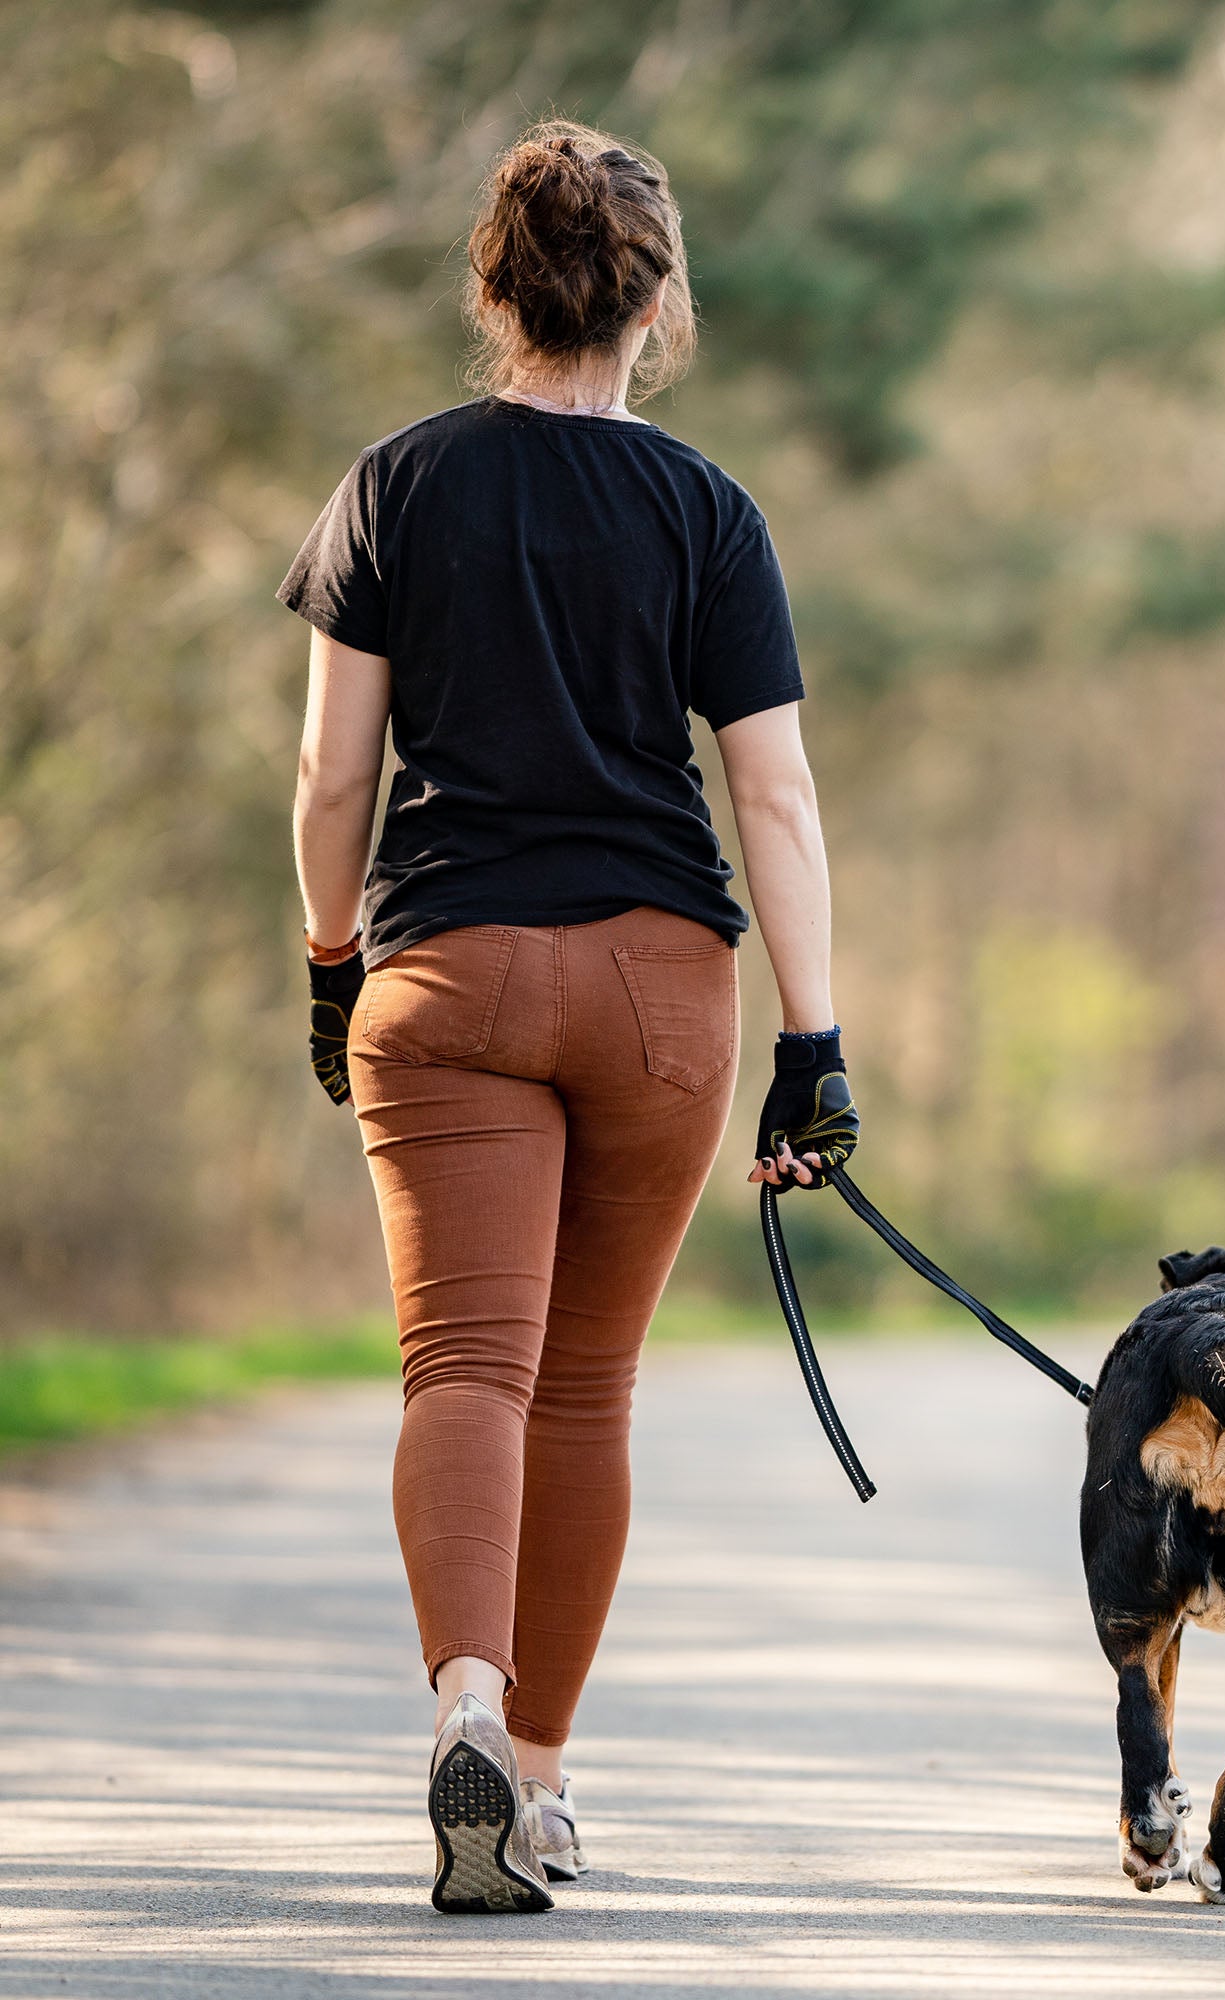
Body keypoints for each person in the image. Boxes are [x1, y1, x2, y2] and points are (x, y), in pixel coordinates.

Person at [281, 120, 859, 1914]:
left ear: (492, 287)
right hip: (656, 989)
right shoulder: (707, 512)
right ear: (657, 304)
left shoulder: (395, 484)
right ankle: (535, 1783)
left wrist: (328, 960)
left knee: (465, 1367)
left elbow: (330, 774)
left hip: (444, 972)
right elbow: (775, 798)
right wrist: (816, 1045)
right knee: (585, 1388)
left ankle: (463, 1703)